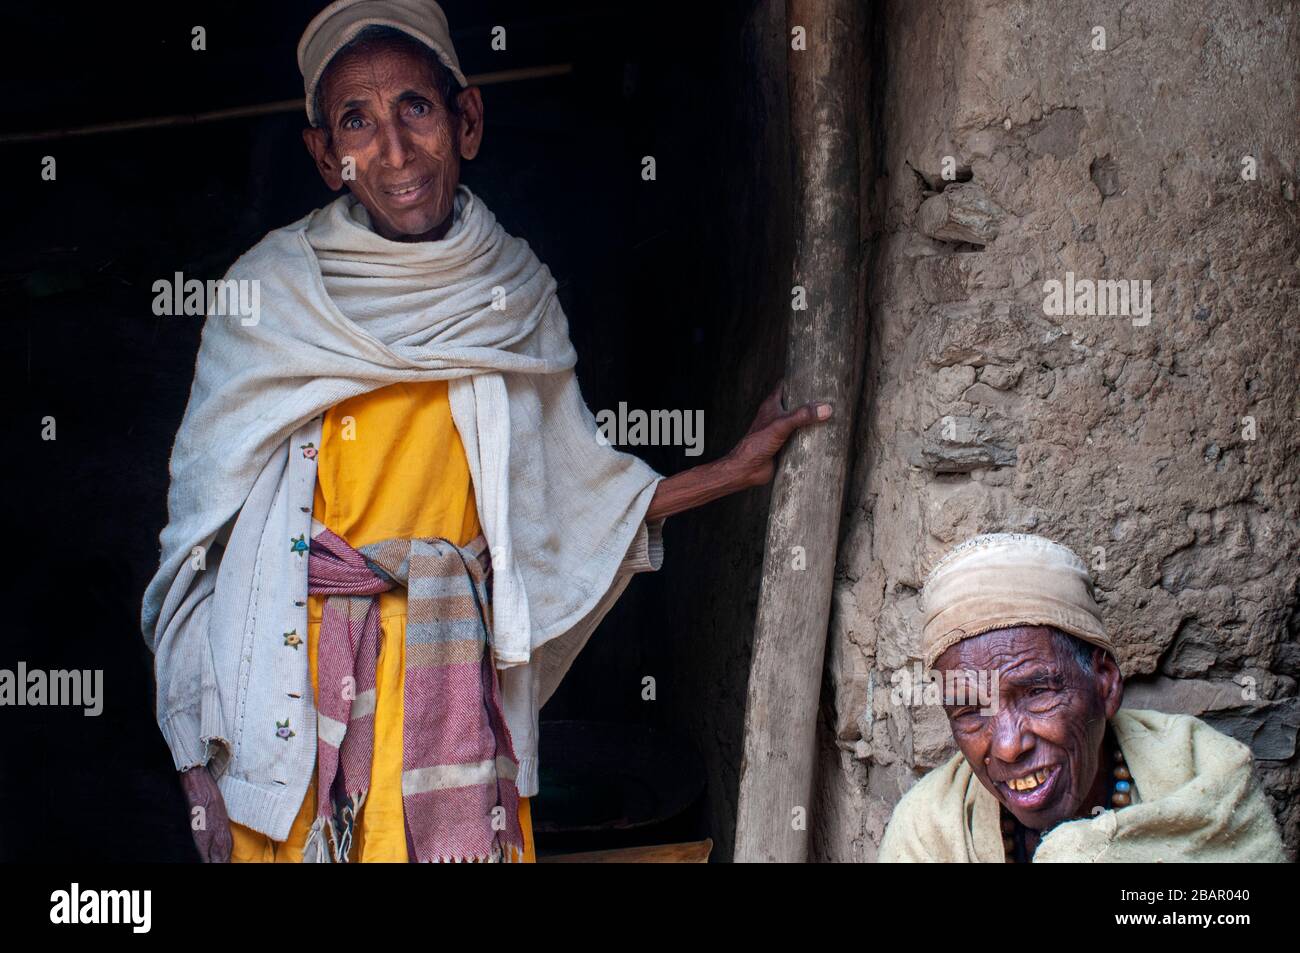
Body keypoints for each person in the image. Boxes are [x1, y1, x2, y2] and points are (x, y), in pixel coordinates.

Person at [143, 0, 832, 863]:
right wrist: (192, 755)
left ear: (466, 119)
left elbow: (581, 502)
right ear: (326, 155)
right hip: (291, 724)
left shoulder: (512, 293)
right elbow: (191, 559)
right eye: (357, 120)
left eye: (416, 109)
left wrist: (732, 470)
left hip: (456, 709)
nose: (393, 151)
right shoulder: (267, 301)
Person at [879, 532, 1286, 862]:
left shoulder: (1207, 779)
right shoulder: (927, 834)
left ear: (1105, 683)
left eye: (1037, 693)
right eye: (971, 711)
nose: (1006, 747)